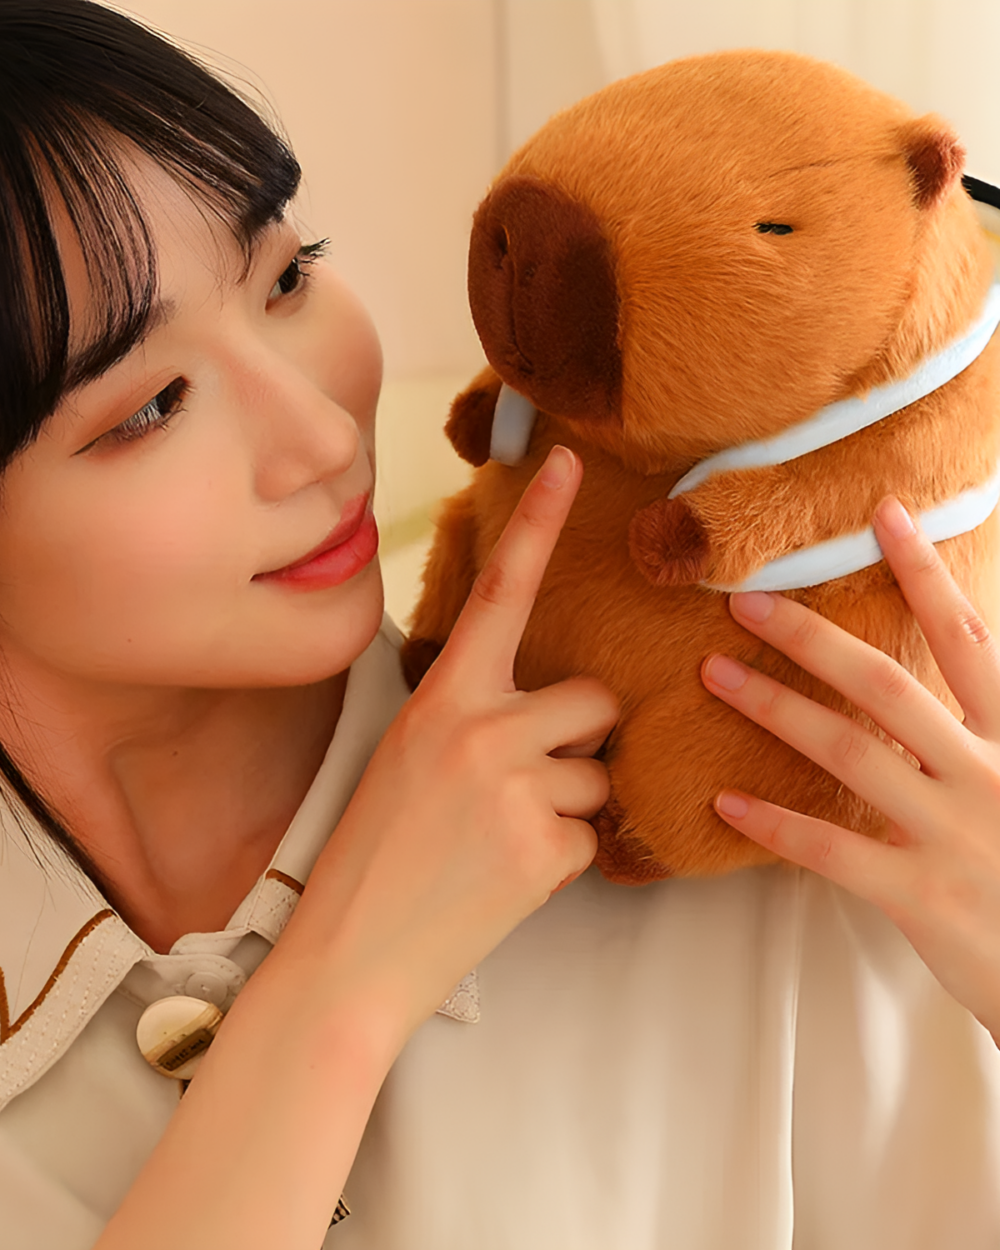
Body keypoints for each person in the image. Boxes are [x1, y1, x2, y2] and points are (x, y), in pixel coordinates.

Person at [0, 4, 999, 1249]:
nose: (319, 431)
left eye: (288, 277)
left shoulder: (779, 815)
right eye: (151, 405)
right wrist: (336, 994)